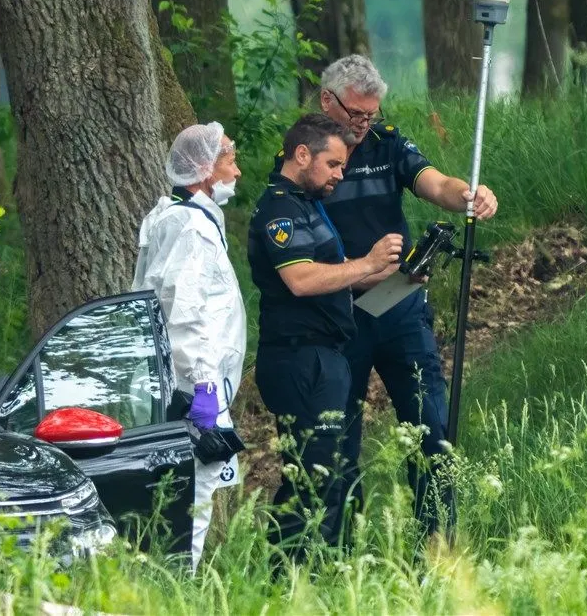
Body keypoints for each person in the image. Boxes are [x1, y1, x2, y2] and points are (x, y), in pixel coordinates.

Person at [308, 54, 499, 538]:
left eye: (371, 114)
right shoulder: (305, 154)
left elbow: (434, 182)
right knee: (337, 440)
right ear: (327, 100)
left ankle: (437, 541)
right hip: (336, 314)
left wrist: (468, 195)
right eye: (356, 114)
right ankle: (340, 551)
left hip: (399, 305)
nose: (363, 124)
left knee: (429, 424)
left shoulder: (385, 142)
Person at [248, 113, 404, 557]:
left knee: (330, 474)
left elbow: (333, 275)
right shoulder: (280, 207)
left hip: (327, 355)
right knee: (310, 478)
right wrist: (368, 263)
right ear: (302, 155)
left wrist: (397, 275)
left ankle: (320, 574)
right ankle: (287, 580)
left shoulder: (306, 203)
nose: (341, 173)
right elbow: (300, 279)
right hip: (300, 359)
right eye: (333, 164)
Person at [132, 122, 246, 572]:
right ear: (203, 170)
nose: (236, 171)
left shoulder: (177, 217)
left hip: (185, 380)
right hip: (193, 386)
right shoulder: (190, 228)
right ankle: (182, 585)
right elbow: (186, 311)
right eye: (229, 160)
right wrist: (203, 387)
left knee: (185, 490)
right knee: (194, 492)